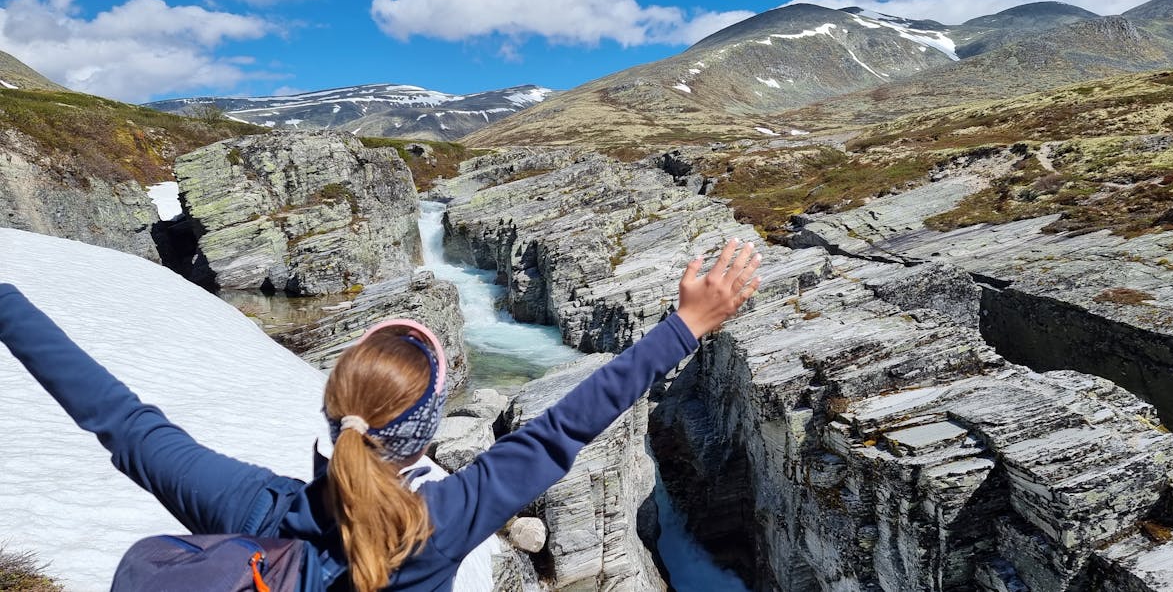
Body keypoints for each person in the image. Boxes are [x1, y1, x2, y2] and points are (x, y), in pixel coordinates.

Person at [0, 238, 762, 591]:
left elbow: (121, 421)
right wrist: (684, 327)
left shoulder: (247, 504)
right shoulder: (442, 522)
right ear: (427, 431)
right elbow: (565, 427)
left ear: (335, 414)